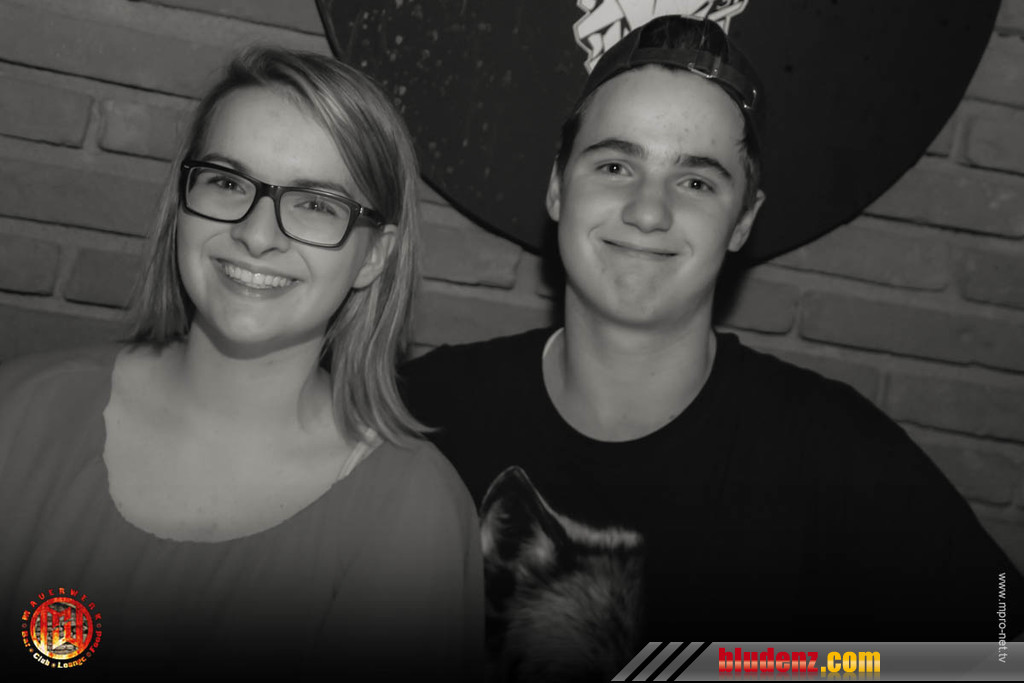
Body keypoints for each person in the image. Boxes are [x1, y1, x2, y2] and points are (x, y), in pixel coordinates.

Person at [401, 15, 1023, 679]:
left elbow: (1002, 643)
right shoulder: (423, 411)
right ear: (558, 187)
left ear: (743, 220)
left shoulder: (832, 451)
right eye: (615, 165)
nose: (648, 210)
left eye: (696, 182)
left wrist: (786, 666)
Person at [0, 48, 482, 680]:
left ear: (373, 257)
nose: (257, 234)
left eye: (316, 203)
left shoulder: (413, 518)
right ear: (183, 202)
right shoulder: (22, 413)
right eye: (228, 183)